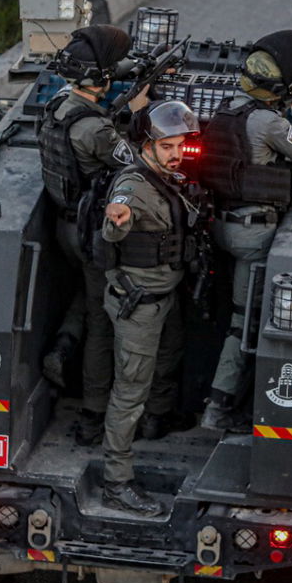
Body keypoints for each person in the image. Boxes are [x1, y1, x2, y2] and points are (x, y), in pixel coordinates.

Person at [195, 30, 292, 432]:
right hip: (252, 236)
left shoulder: (227, 110)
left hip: (220, 226)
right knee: (244, 321)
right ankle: (219, 408)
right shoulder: (268, 122)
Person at [37, 24, 146, 447]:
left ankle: (63, 346)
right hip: (91, 233)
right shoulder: (95, 129)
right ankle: (93, 411)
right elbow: (133, 163)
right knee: (103, 322)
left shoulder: (58, 106)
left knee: (87, 291)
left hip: (65, 226)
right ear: (100, 78)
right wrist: (137, 112)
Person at [96, 100, 204, 516]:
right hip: (139, 306)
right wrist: (118, 217)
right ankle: (116, 481)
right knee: (129, 392)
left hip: (164, 297)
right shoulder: (134, 186)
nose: (176, 154)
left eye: (179, 145)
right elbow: (116, 220)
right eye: (166, 146)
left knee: (168, 358)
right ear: (147, 146)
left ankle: (156, 419)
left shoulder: (165, 177)